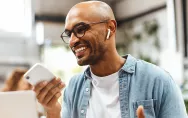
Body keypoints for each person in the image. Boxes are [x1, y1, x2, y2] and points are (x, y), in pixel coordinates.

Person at [33, 1, 187, 118]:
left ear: (111, 28)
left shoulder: (157, 81)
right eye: (69, 34)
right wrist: (52, 109)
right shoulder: (74, 87)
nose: (72, 41)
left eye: (80, 29)